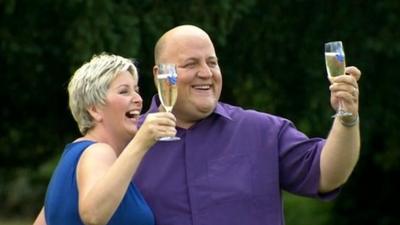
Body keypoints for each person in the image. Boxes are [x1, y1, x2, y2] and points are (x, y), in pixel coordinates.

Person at [133, 25, 361, 225]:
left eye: (212, 62)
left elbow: (328, 175)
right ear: (159, 74)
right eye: (191, 64)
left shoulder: (264, 131)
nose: (206, 73)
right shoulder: (126, 140)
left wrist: (347, 117)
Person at [33, 53, 177, 225]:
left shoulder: (73, 158)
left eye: (136, 90)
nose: (138, 99)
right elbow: (93, 215)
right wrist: (141, 142)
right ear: (94, 109)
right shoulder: (99, 152)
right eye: (124, 91)